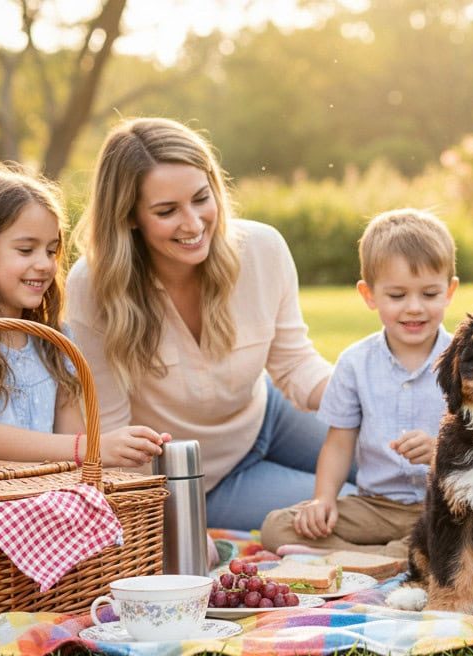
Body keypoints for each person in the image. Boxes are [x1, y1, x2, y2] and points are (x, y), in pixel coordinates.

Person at [67, 117, 346, 530]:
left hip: (268, 414)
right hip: (204, 477)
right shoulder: (92, 288)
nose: (194, 224)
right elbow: (113, 434)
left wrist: (361, 396)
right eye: (167, 211)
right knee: (354, 504)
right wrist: (169, 517)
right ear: (129, 216)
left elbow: (294, 363)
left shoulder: (262, 248)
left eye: (201, 198)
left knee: (399, 473)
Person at [0, 164, 167, 466]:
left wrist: (119, 448)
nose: (45, 264)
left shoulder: (52, 339)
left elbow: (74, 443)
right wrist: (91, 447)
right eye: (26, 250)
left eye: (51, 251)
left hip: (38, 492)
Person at [260, 209, 458, 557]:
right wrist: (323, 500)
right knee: (278, 526)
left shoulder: (463, 361)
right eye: (397, 296)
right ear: (369, 295)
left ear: (449, 291)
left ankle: (377, 557)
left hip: (446, 506)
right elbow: (339, 443)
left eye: (429, 294)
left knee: (470, 539)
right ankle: (391, 557)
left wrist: (439, 451)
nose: (414, 308)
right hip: (375, 507)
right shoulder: (354, 363)